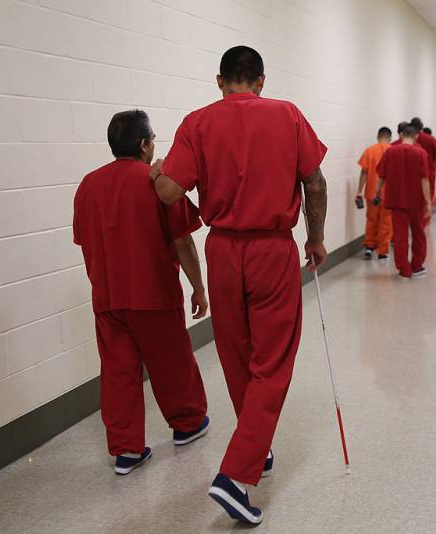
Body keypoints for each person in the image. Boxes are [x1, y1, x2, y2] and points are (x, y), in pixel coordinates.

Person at [150, 46, 327, 525]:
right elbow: (314, 183)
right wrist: (315, 238)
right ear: (261, 80)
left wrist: (156, 171)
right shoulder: (288, 115)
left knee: (236, 354)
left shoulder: (198, 122)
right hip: (272, 249)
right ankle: (235, 476)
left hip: (223, 250)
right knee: (272, 361)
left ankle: (257, 447)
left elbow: (168, 192)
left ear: (219, 81)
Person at [73, 110, 209, 476]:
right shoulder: (159, 182)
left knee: (118, 372)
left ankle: (127, 450)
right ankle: (188, 424)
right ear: (145, 144)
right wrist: (198, 286)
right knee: (172, 362)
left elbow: (84, 240)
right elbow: (182, 241)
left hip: (107, 297)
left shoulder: (88, 184)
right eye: (154, 140)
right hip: (153, 293)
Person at [373, 125, 430, 280]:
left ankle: (404, 270)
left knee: (400, 236)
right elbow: (424, 179)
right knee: (419, 234)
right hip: (417, 202)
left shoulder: (390, 151)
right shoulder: (421, 153)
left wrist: (377, 192)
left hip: (396, 201)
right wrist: (428, 202)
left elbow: (382, 176)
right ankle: (417, 266)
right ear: (416, 136)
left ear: (401, 135)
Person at [355, 127, 392, 260]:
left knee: (371, 220)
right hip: (388, 194)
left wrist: (359, 191)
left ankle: (369, 247)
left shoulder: (369, 150)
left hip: (371, 193)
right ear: (390, 138)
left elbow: (364, 172)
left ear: (377, 136)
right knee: (386, 223)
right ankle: (383, 251)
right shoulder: (392, 151)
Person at [410, 117, 436, 206]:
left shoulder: (408, 140)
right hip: (428, 174)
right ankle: (426, 216)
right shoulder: (430, 139)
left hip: (411, 175)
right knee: (428, 199)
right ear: (421, 127)